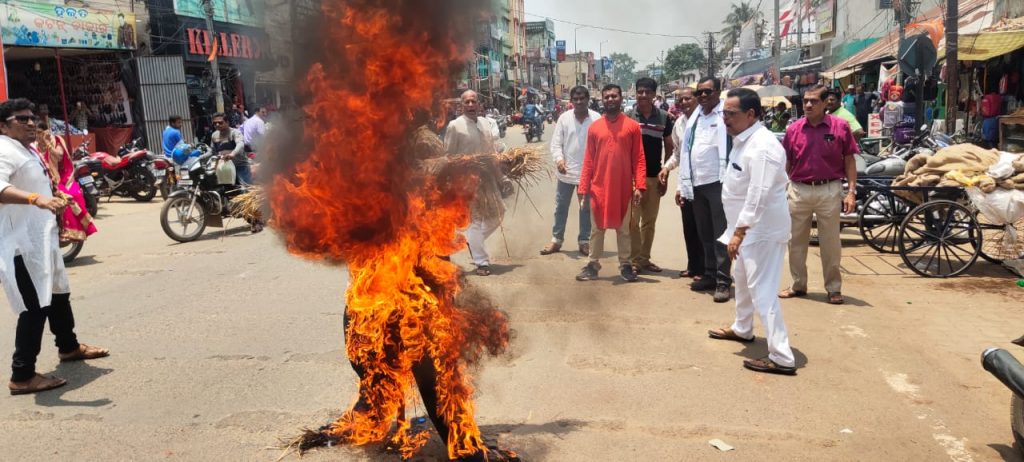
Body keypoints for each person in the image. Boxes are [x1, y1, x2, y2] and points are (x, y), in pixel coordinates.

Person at [0, 98, 109, 396]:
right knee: (34, 306)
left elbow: (41, 180)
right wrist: (38, 200)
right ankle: (22, 375)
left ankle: (68, 347)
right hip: (21, 243)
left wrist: (58, 197)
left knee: (59, 293)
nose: (32, 123)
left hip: (42, 237)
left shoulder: (27, 148)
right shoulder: (2, 149)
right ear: (3, 126)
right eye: (22, 119)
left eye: (33, 118)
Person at [707, 88, 797, 376]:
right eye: (724, 113)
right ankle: (742, 328)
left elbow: (757, 196)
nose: (725, 119)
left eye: (731, 114)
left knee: (763, 292)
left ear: (751, 114)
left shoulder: (762, 147)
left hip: (760, 231)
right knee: (743, 281)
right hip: (746, 230)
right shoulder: (743, 141)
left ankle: (782, 356)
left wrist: (739, 232)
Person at [780, 84, 859, 305]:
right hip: (798, 189)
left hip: (829, 190)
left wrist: (851, 192)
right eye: (805, 100)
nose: (808, 105)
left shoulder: (840, 127)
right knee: (795, 241)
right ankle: (798, 284)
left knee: (830, 242)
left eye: (814, 101)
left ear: (826, 103)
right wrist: (779, 190)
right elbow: (786, 163)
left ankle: (833, 288)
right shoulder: (793, 129)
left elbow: (850, 161)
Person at [575, 84, 644, 283]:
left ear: (621, 98)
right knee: (597, 230)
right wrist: (583, 188)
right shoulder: (595, 128)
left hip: (623, 189)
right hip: (599, 189)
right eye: (607, 97)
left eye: (614, 96)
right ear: (602, 100)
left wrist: (639, 186)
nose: (610, 99)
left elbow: (639, 158)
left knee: (624, 230)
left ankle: (625, 265)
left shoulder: (632, 126)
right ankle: (593, 264)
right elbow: (589, 160)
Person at [673, 76, 733, 303]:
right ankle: (708, 274)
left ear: (718, 92)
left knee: (721, 235)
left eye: (708, 92)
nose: (704, 96)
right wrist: (681, 184)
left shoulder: (726, 115)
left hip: (718, 183)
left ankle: (723, 281)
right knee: (704, 233)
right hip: (696, 184)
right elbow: (686, 153)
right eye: (700, 93)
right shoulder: (694, 119)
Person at [444, 90, 503, 276]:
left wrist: (501, 164)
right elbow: (448, 156)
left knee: (499, 213)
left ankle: (473, 241)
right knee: (475, 221)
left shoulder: (486, 123)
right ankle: (481, 262)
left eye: (473, 101)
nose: (470, 105)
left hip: (487, 178)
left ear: (479, 104)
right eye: (467, 102)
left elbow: (493, 148)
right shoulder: (455, 126)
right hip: (466, 181)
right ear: (461, 105)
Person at [540, 86, 599, 257]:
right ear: (571, 101)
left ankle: (584, 241)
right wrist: (559, 160)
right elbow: (556, 143)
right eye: (576, 99)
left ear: (588, 99)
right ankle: (556, 240)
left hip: (588, 174)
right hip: (566, 173)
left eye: (582, 98)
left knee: (585, 208)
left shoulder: (596, 119)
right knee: (561, 207)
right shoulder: (564, 119)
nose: (579, 102)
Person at [625, 78, 674, 273]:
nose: (643, 95)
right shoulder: (628, 117)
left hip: (654, 176)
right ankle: (634, 260)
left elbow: (669, 146)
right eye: (640, 91)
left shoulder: (664, 118)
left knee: (649, 222)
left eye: (648, 92)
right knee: (632, 222)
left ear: (654, 95)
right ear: (635, 93)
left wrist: (666, 174)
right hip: (632, 178)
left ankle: (644, 259)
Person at [660, 87, 704, 280]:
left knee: (705, 229)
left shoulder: (707, 121)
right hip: (686, 184)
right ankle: (693, 266)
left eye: (688, 98)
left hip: (705, 183)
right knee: (690, 227)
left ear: (696, 99)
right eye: (680, 100)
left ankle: (707, 270)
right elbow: (678, 154)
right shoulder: (679, 124)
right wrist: (666, 168)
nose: (684, 102)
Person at [33, 121, 97, 243]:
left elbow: (59, 156)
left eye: (40, 132)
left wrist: (48, 143)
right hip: (42, 178)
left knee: (67, 198)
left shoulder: (55, 140)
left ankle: (66, 230)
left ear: (45, 131)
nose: (38, 135)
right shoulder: (33, 145)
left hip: (58, 178)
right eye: (36, 133)